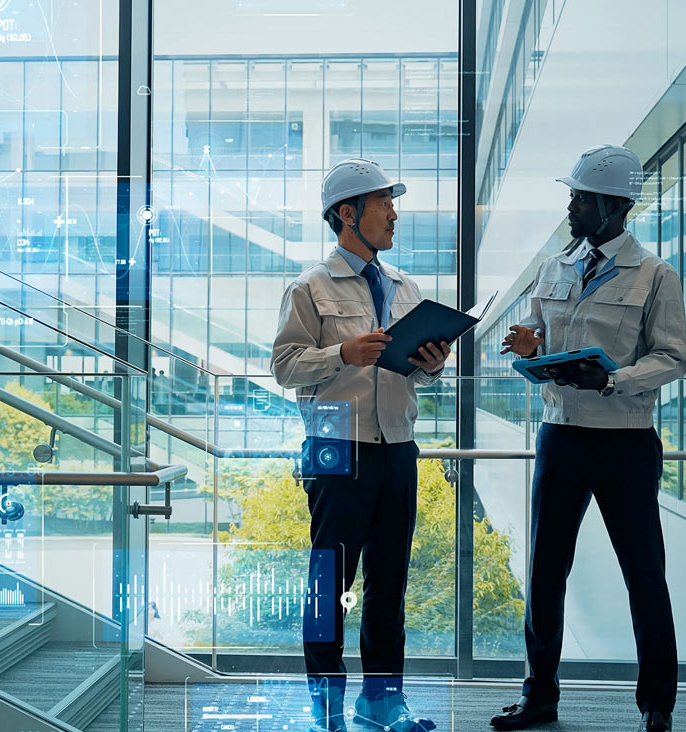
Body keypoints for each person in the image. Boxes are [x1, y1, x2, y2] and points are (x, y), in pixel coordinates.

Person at [491, 145, 686, 732]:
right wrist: (530, 349)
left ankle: (657, 705)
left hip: (625, 442)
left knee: (644, 574)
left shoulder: (655, 275)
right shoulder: (556, 267)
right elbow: (541, 341)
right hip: (561, 438)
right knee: (546, 572)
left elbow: (673, 358)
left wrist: (615, 379)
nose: (571, 206)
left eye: (579, 197)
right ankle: (539, 698)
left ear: (611, 206)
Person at [271, 158, 450, 732]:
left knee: (390, 581)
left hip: (398, 444)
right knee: (329, 582)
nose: (394, 213)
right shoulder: (309, 288)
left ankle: (381, 701)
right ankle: (325, 707)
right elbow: (284, 367)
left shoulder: (405, 288)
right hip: (334, 444)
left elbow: (412, 369)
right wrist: (343, 355)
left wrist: (432, 364)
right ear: (348, 215)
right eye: (383, 204)